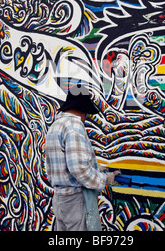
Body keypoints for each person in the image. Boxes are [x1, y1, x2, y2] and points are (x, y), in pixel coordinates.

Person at [45, 86, 120, 231]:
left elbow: (57, 166)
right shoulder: (74, 126)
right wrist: (105, 179)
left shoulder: (55, 125)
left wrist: (95, 168)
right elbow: (79, 168)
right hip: (75, 201)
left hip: (60, 199)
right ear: (82, 109)